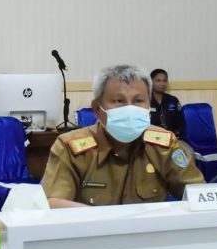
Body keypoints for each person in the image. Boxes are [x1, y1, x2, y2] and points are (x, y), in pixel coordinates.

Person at [41, 64, 204, 208]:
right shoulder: (70, 147)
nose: (130, 108)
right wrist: (109, 223)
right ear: (97, 109)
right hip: (94, 232)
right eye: (119, 101)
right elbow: (53, 203)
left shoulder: (164, 144)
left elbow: (199, 195)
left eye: (138, 100)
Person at [149, 68, 184, 137]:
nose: (162, 84)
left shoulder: (173, 100)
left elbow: (181, 124)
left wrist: (175, 135)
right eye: (158, 81)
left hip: (172, 138)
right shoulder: (145, 101)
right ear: (151, 82)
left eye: (164, 81)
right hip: (151, 139)